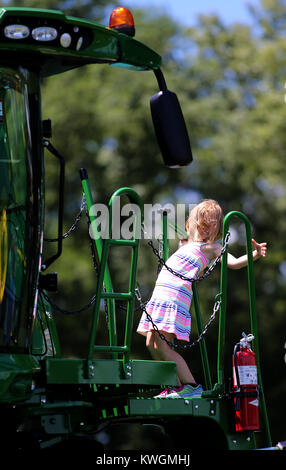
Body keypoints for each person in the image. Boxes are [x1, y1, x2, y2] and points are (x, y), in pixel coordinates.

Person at [137, 199, 267, 399]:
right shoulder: (188, 245)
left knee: (162, 345)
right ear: (192, 225)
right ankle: (174, 386)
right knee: (151, 343)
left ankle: (191, 386)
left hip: (174, 297)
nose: (205, 231)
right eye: (201, 226)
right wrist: (184, 244)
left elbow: (232, 263)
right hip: (161, 294)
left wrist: (254, 254)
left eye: (210, 228)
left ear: (216, 232)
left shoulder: (213, 248)